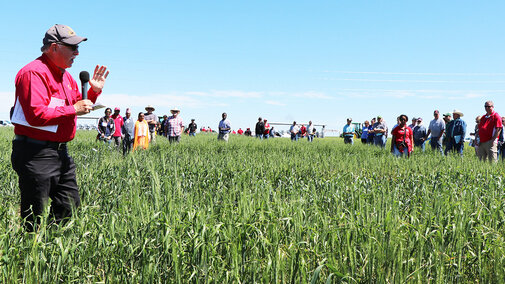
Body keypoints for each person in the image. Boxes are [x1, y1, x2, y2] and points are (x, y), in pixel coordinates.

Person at [10, 24, 109, 231]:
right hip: (35, 153)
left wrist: (93, 93)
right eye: (72, 47)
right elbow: (36, 114)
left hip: (60, 152)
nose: (77, 53)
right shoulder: (33, 73)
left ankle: (57, 253)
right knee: (34, 215)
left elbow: (76, 105)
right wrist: (73, 109)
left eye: (77, 48)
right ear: (54, 47)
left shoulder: (67, 77)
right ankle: (31, 257)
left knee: (68, 206)